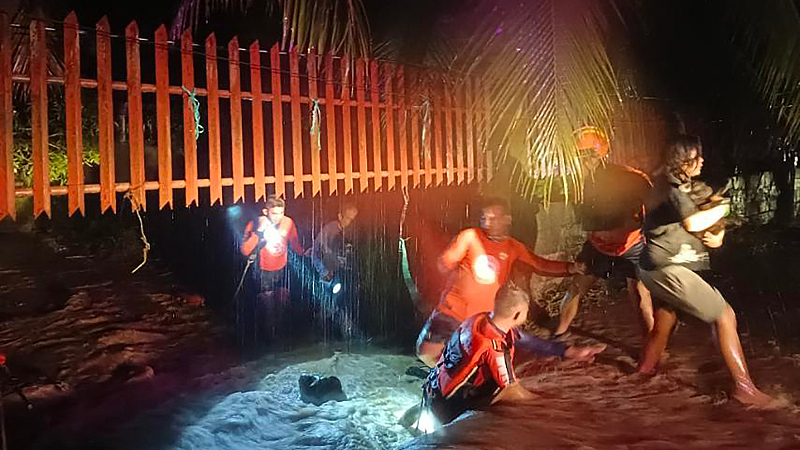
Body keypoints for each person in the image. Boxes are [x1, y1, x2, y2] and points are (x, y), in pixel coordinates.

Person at [636, 135, 777, 408]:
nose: (702, 160)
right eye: (696, 156)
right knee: (724, 316)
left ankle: (641, 375)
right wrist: (723, 207)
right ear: (682, 159)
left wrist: (719, 233)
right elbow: (692, 221)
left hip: (667, 268)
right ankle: (744, 388)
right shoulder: (666, 185)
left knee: (664, 321)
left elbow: (710, 214)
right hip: (667, 268)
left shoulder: (689, 186)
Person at [415, 197, 583, 367]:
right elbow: (445, 262)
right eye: (484, 218)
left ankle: (566, 351)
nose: (487, 223)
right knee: (425, 354)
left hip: (487, 316)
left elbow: (539, 264)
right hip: (453, 311)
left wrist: (570, 268)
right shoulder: (470, 236)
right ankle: (447, 375)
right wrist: (444, 261)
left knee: (516, 338)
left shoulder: (513, 246)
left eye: (493, 218)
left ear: (507, 220)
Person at [421, 283, 606, 426]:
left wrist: (568, 351)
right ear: (517, 315)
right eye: (526, 311)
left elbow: (524, 339)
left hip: (433, 388)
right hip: (445, 406)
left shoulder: (479, 319)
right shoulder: (494, 347)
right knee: (505, 392)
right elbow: (511, 389)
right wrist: (552, 405)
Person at [555, 126, 654, 339]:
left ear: (602, 152)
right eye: (580, 155)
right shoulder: (577, 183)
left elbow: (654, 203)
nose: (585, 160)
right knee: (576, 287)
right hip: (598, 245)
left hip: (631, 245)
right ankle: (559, 334)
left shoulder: (629, 178)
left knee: (639, 293)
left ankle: (653, 345)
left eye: (589, 154)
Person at [241, 195, 305, 337]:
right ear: (266, 211)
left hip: (282, 268)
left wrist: (305, 253)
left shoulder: (288, 222)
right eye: (274, 213)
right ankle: (268, 338)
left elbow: (295, 244)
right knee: (267, 306)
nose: (278, 217)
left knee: (282, 303)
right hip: (263, 271)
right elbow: (245, 250)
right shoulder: (256, 223)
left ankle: (282, 335)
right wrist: (258, 233)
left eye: (281, 213)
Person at [311, 203, 359, 282]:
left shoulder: (351, 233)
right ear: (340, 216)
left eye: (353, 220)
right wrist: (324, 273)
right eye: (348, 218)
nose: (350, 222)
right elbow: (316, 252)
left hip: (344, 276)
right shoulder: (329, 231)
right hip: (328, 276)